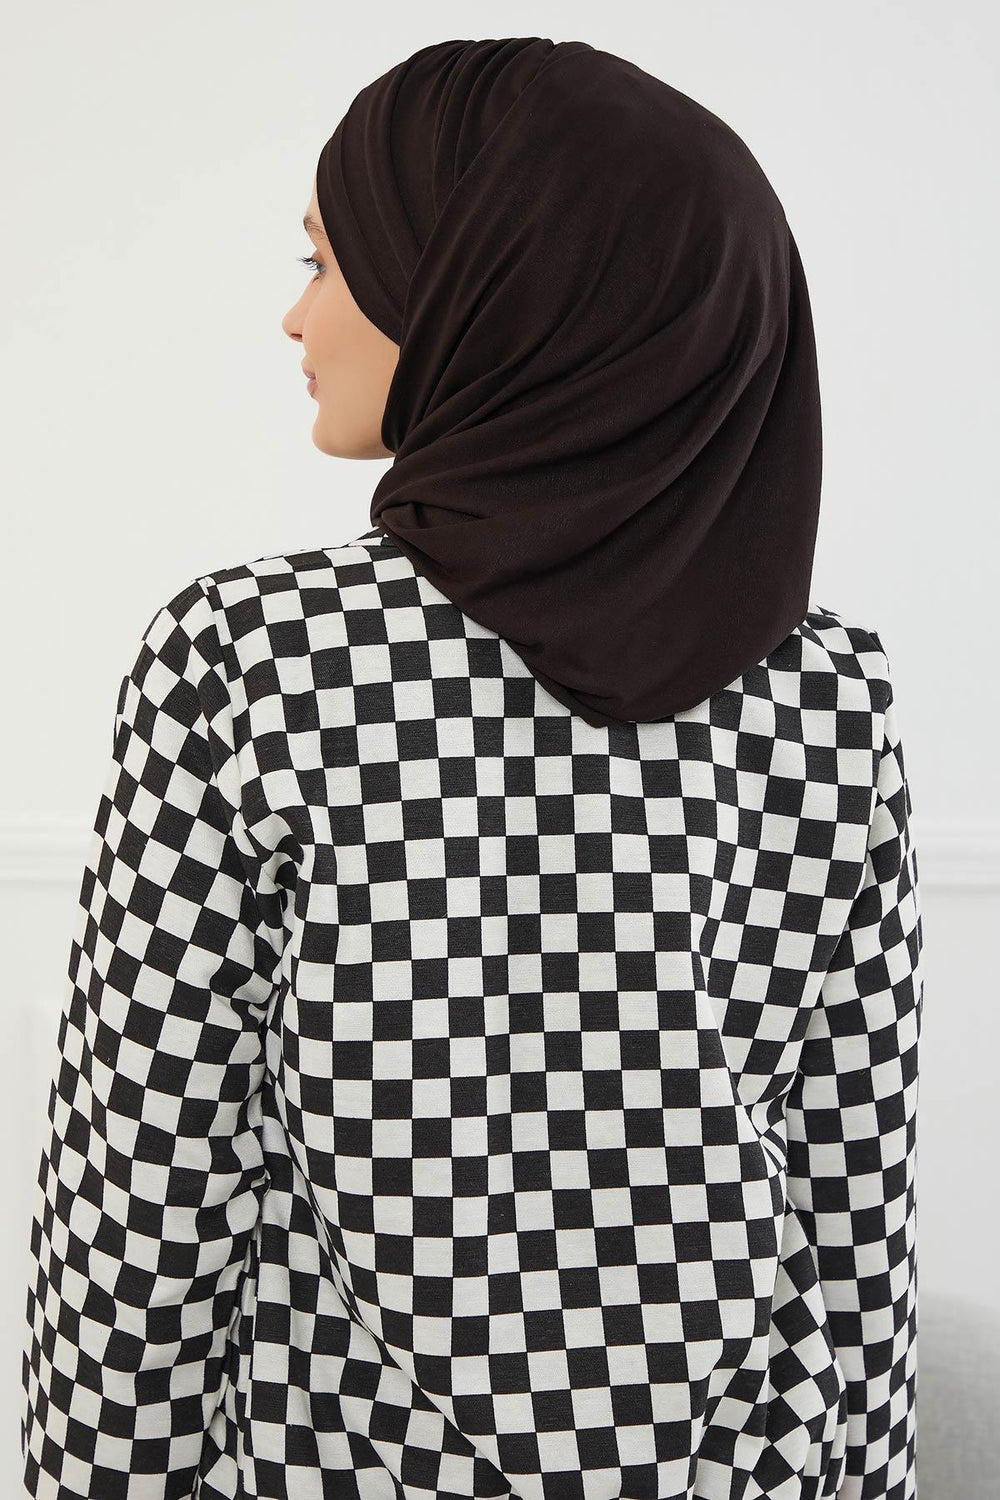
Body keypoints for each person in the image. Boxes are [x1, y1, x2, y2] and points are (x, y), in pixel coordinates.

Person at [21, 36, 922, 1500]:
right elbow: (855, 1200)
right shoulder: (830, 697)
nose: (294, 314)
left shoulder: (253, 661)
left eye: (327, 260)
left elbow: (144, 1197)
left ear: (486, 283)